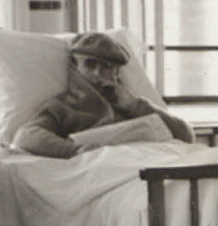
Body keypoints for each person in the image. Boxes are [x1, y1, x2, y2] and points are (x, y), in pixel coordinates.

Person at [14, 32, 193, 158]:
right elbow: (26, 136)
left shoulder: (131, 103)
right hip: (106, 169)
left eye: (106, 67)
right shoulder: (62, 105)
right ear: (75, 66)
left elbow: (186, 135)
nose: (98, 73)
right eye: (90, 64)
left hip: (151, 161)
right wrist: (76, 150)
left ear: (116, 72)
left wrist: (136, 106)